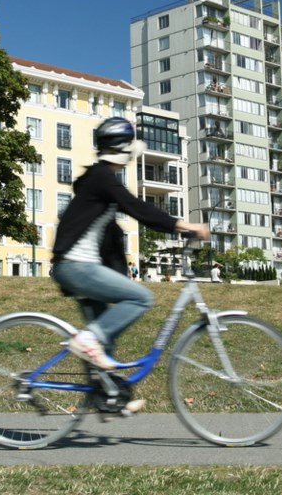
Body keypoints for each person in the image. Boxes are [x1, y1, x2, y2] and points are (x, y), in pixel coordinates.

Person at [51, 117, 209, 383]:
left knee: (105, 339)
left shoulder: (99, 180)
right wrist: (184, 225)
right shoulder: (102, 178)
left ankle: (110, 396)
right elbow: (138, 208)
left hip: (78, 267)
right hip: (77, 266)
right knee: (140, 299)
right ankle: (87, 340)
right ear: (123, 148)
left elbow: (112, 239)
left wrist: (120, 275)